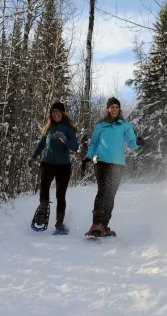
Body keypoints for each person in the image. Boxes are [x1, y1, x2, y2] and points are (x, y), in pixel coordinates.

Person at [82, 97, 144, 237]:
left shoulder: (125, 126)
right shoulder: (100, 126)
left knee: (110, 195)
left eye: (116, 107)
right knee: (102, 192)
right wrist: (88, 157)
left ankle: (103, 225)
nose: (114, 109)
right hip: (101, 162)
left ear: (119, 109)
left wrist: (138, 143)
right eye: (112, 107)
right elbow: (94, 144)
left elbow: (131, 143)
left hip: (117, 165)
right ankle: (95, 224)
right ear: (107, 109)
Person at [28, 101, 78, 232]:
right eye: (53, 112)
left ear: (63, 113)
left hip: (63, 166)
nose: (55, 114)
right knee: (44, 189)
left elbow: (75, 147)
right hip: (47, 163)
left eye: (58, 111)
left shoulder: (68, 129)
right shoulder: (48, 128)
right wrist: (33, 157)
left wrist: (64, 138)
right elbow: (41, 145)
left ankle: (59, 222)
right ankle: (42, 214)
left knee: (60, 195)